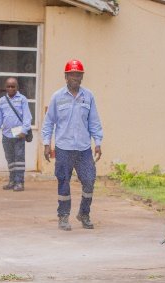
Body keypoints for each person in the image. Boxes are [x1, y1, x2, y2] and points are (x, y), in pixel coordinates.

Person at [41, 59, 103, 231]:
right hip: (64, 148)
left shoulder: (88, 96)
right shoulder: (57, 97)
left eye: (78, 74)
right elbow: (48, 123)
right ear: (66, 76)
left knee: (89, 180)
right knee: (63, 182)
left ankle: (84, 213)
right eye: (72, 74)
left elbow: (94, 121)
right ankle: (63, 216)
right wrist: (46, 144)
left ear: (82, 77)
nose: (76, 77)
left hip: (83, 149)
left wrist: (98, 142)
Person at [0, 77, 32, 192]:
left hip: (19, 134)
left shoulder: (22, 99)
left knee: (19, 159)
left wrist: (24, 131)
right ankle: (12, 181)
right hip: (6, 135)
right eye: (8, 86)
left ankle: (19, 182)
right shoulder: (2, 101)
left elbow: (27, 117)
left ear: (17, 87)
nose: (10, 88)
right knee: (10, 159)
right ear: (5, 87)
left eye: (13, 86)